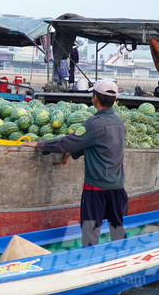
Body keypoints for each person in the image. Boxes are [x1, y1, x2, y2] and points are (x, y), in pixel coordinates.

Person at [21, 79, 126, 247]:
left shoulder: (93, 124)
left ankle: (89, 266)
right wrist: (76, 151)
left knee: (90, 234)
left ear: (95, 99)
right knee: (117, 230)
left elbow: (67, 142)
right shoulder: (119, 123)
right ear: (114, 100)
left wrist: (40, 144)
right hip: (117, 187)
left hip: (96, 189)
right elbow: (103, 146)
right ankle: (121, 261)